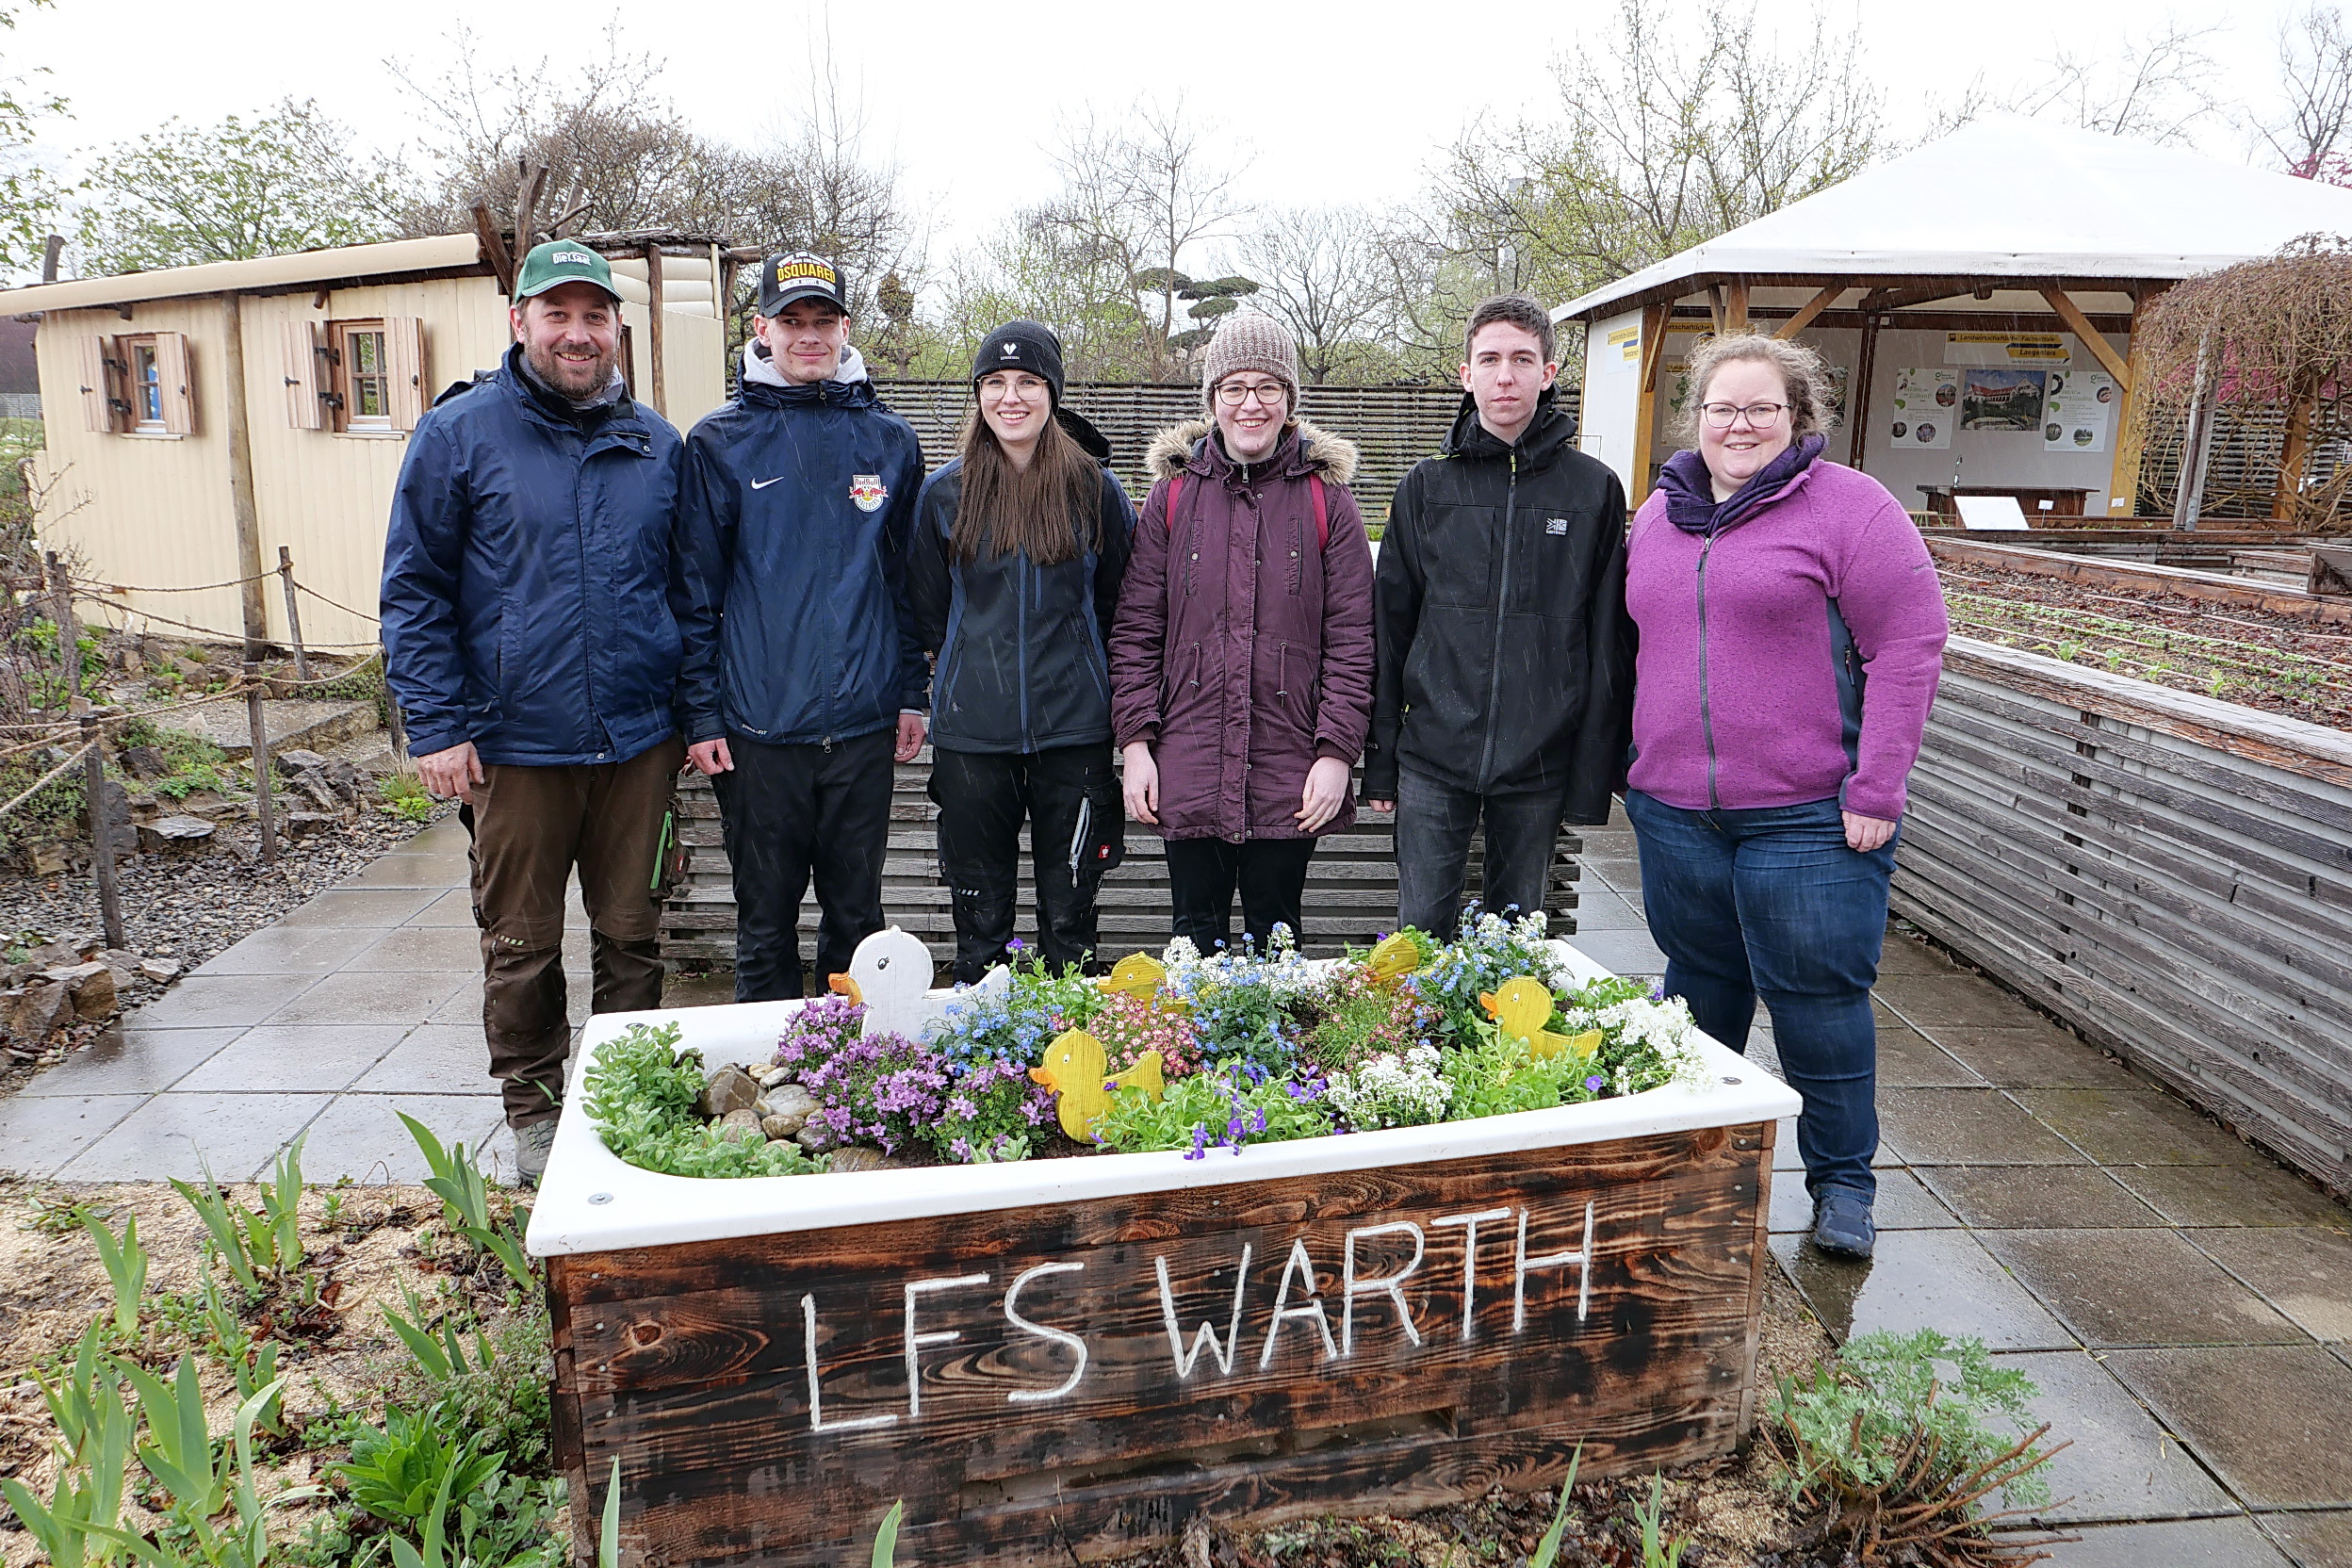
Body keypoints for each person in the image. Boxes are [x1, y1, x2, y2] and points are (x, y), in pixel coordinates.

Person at [1624, 330, 1951, 1260]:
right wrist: (1633, 767)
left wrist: (1879, 783)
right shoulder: (1661, 515)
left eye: (1763, 406)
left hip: (1809, 815)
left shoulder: (1851, 509)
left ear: (1796, 416)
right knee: (1699, 1000)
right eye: (1724, 406)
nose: (1742, 423)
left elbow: (1910, 643)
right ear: (1697, 417)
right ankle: (1697, 1174)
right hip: (1678, 811)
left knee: (1817, 1003)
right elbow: (1637, 644)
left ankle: (1843, 1185)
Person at [381, 239, 685, 1185]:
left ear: (616, 328)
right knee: (521, 940)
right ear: (521, 323)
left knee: (633, 933)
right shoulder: (459, 436)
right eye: (558, 314)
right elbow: (415, 588)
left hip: (639, 739)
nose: (577, 333)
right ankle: (537, 1112)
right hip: (515, 744)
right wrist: (435, 723)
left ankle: (632, 1095)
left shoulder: (658, 445)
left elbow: (692, 589)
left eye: (594, 316)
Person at [674, 252, 926, 1001]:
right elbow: (694, 594)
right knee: (763, 924)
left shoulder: (889, 441)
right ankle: (767, 1084)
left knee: (857, 923)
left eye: (823, 321)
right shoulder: (719, 442)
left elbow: (907, 585)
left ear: (846, 329)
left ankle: (853, 1094)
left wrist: (911, 694)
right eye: (792, 321)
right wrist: (702, 713)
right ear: (761, 328)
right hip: (758, 732)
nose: (808, 336)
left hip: (861, 727)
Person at [1364, 294, 1635, 939]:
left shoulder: (1593, 490)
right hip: (1433, 755)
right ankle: (1420, 1042)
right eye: (1489, 359)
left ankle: (1508, 1044)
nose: (1504, 375)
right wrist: (1383, 758)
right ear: (1466, 374)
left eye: (1521, 359)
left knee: (1516, 941)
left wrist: (1592, 773)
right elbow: (1389, 631)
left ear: (1548, 372)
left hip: (1539, 760)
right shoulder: (1425, 488)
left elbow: (1607, 640)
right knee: (1419, 940)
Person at [1110, 313, 1375, 953]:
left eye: (1267, 388)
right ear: (1213, 400)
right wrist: (1137, 745)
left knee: (1276, 948)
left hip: (1291, 773)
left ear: (1289, 401)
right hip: (1188, 765)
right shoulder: (1170, 500)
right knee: (1193, 947)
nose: (1250, 404)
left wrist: (1336, 754)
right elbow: (1137, 632)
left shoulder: (1327, 503)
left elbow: (1353, 644)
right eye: (1234, 387)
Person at [906, 322, 1136, 982]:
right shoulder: (944, 495)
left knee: (1071, 924)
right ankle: (990, 1069)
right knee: (981, 928)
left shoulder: (1094, 489)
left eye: (1028, 382)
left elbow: (1120, 605)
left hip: (1075, 736)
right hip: (973, 740)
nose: (1012, 398)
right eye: (996, 383)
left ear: (1052, 394)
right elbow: (927, 612)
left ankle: (1073, 1065)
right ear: (978, 394)